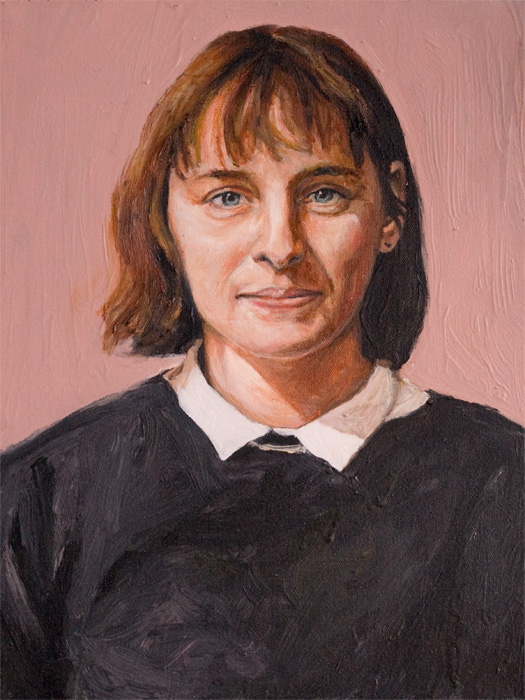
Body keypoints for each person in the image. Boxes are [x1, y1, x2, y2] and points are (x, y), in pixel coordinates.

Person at [1, 25, 523, 699]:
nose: (280, 245)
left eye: (324, 192)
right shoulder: (37, 502)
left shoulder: (504, 488)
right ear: (164, 220)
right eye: (227, 196)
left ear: (390, 211)